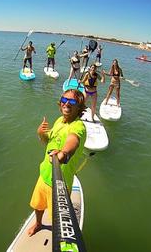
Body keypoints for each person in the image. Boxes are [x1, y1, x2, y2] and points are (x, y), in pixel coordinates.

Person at [27, 89, 87, 236]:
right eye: (64, 99)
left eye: (72, 101)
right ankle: (39, 224)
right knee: (38, 205)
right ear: (60, 103)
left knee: (57, 217)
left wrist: (63, 155)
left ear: (79, 107)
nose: (67, 103)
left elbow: (73, 141)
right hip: (45, 175)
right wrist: (41, 133)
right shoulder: (59, 121)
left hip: (60, 182)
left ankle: (58, 233)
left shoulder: (78, 126)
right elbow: (48, 141)